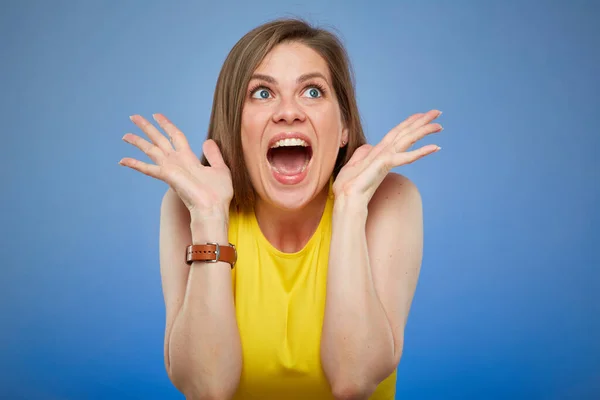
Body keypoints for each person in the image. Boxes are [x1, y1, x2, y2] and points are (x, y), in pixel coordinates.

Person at [119, 18, 442, 400]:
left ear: (343, 127)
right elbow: (206, 388)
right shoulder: (187, 206)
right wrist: (208, 217)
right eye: (261, 93)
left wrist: (352, 207)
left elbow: (354, 380)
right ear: (234, 126)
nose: (289, 112)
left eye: (312, 91)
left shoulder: (390, 201)